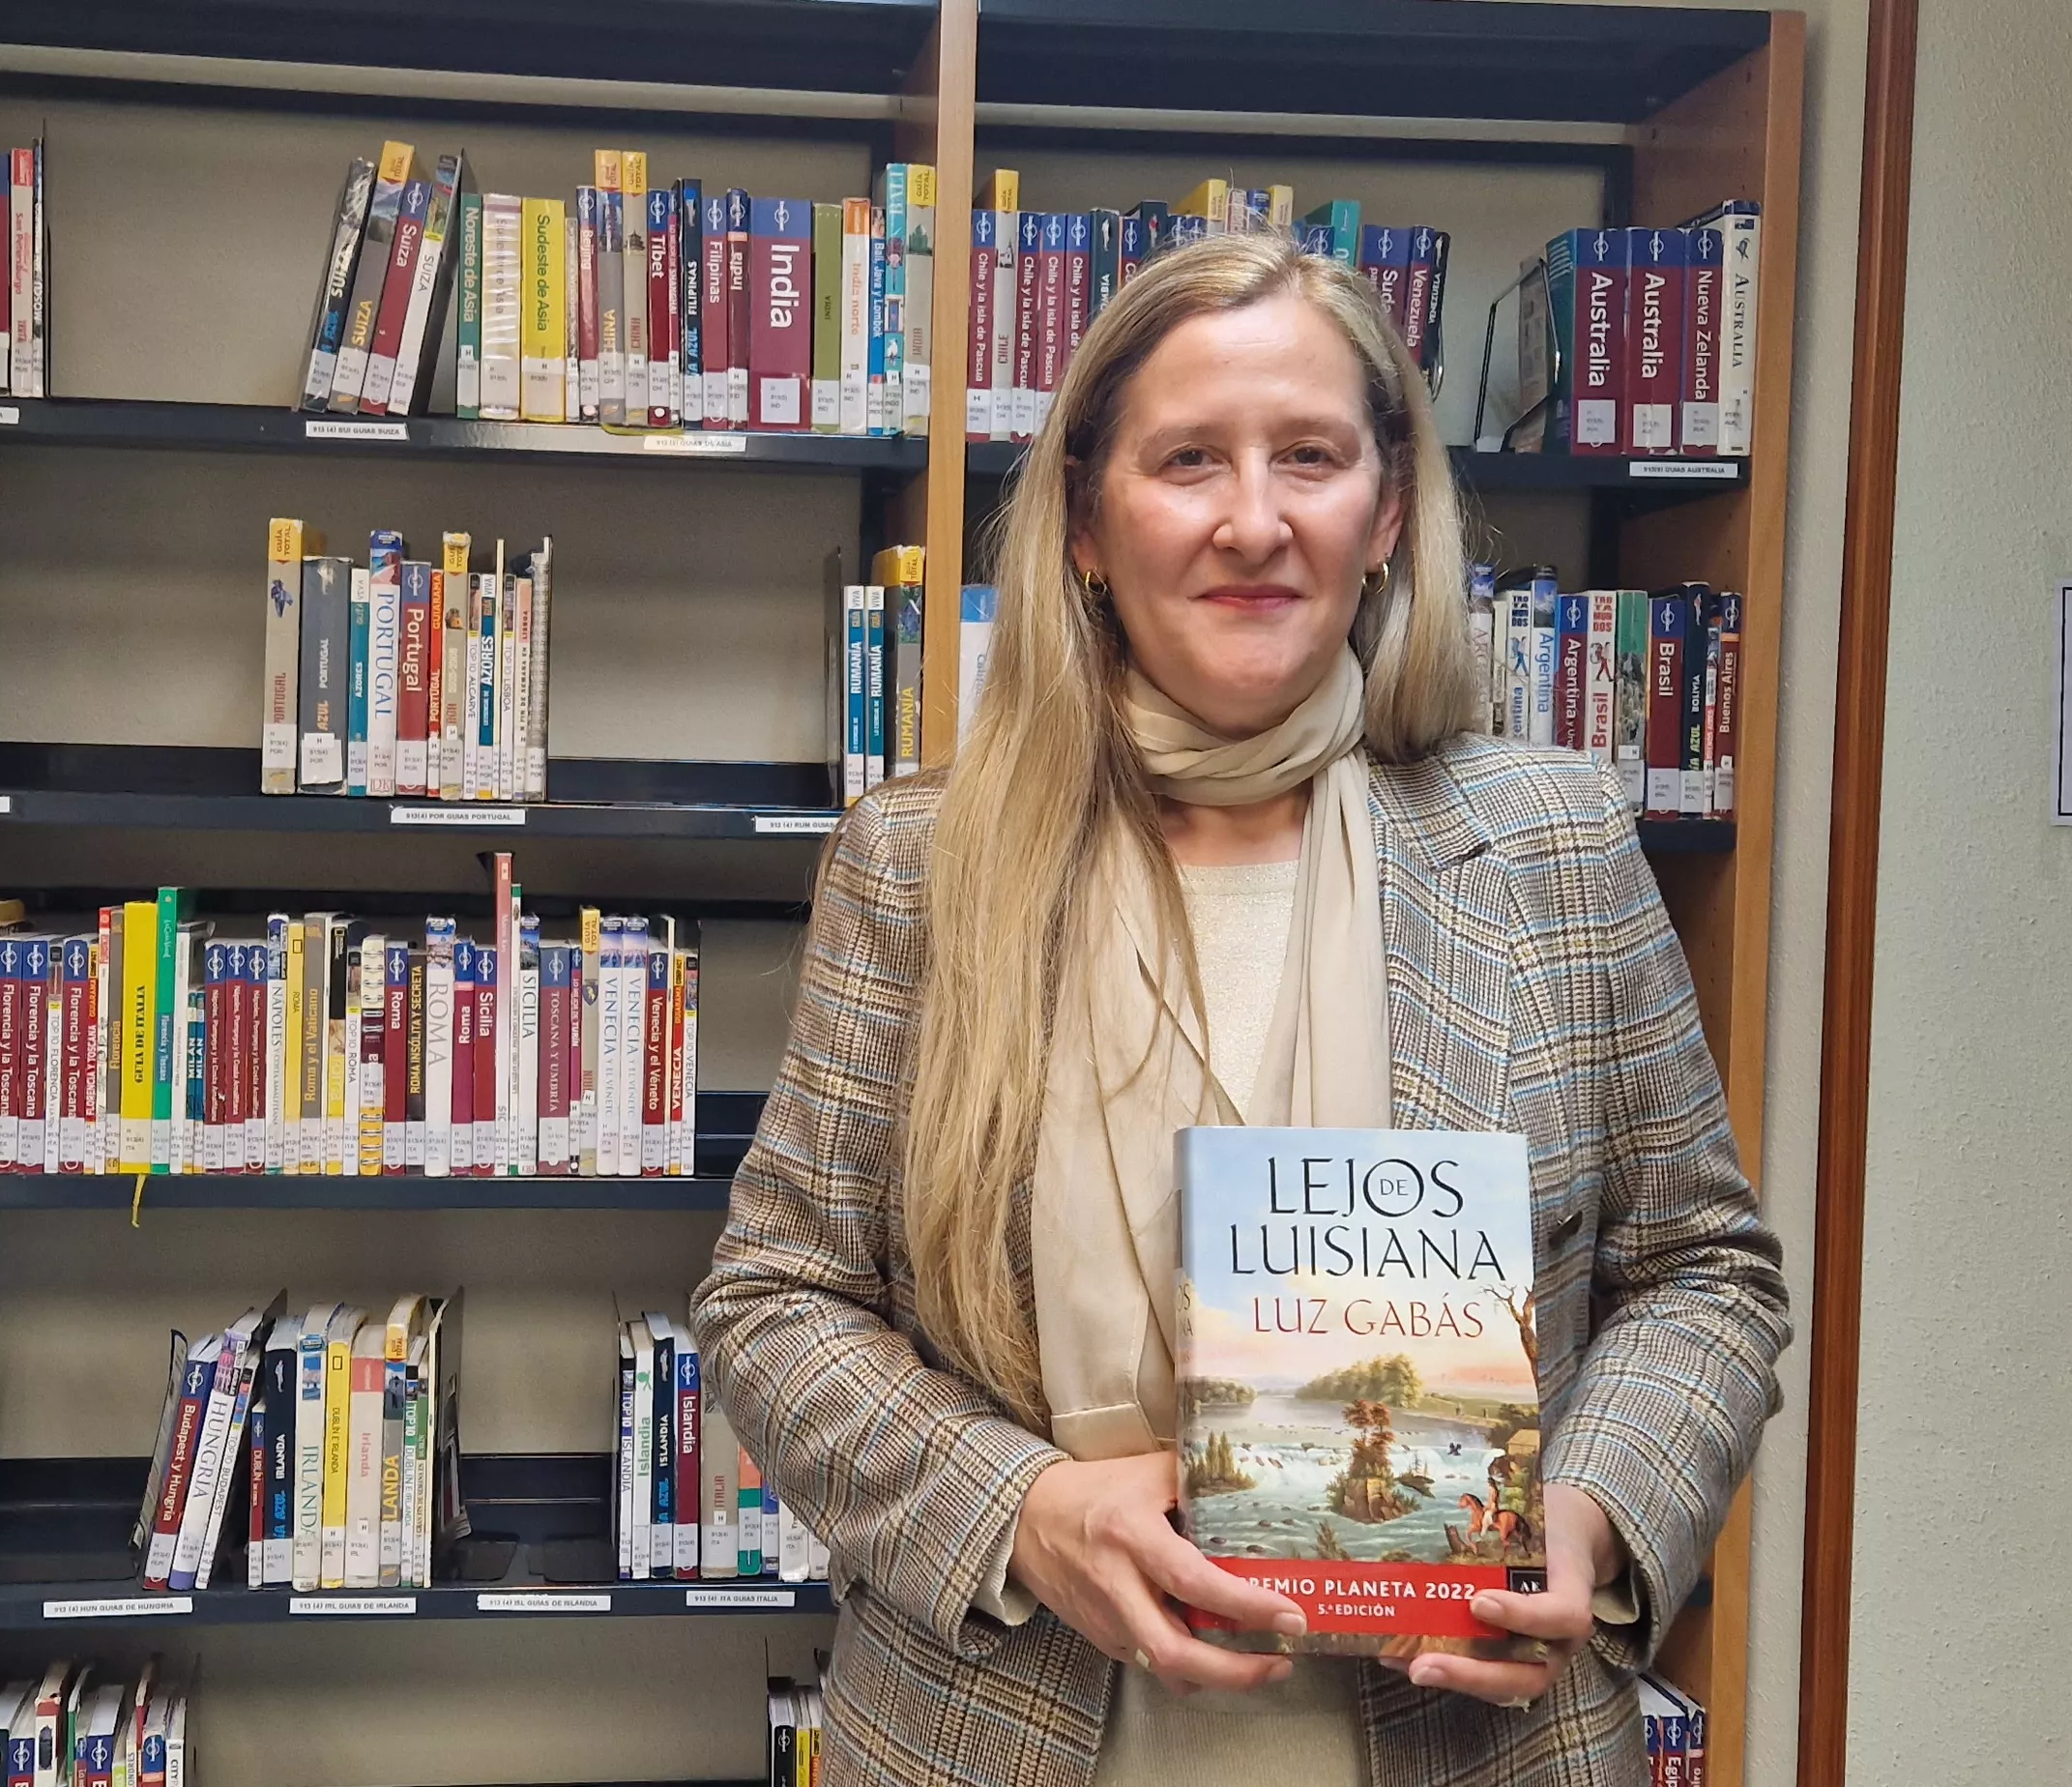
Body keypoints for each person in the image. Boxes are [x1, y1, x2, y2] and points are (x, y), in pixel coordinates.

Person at [690, 230, 1791, 1785]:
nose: (1255, 521)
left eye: (1311, 457)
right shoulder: (925, 864)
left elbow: (1703, 1273)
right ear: (1088, 522)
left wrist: (1595, 1511)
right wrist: (1024, 1509)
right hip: (1004, 1732)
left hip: (1475, 1742)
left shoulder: (1549, 843)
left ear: (1387, 514)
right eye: (1189, 459)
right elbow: (774, 1298)